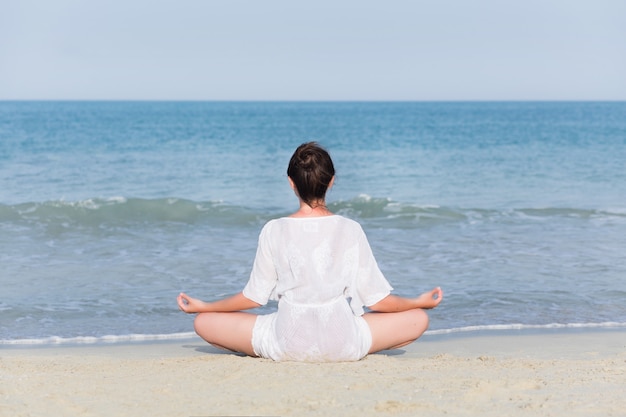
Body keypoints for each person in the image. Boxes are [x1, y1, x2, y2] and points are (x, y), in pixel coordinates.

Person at [177, 142, 443, 362]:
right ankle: (344, 347)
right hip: (343, 342)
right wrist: (419, 301)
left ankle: (263, 348)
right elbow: (378, 301)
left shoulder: (274, 229)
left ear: (292, 183)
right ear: (331, 182)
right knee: (418, 319)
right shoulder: (350, 229)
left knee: (204, 322)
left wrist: (206, 306)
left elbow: (254, 297)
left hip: (287, 342)